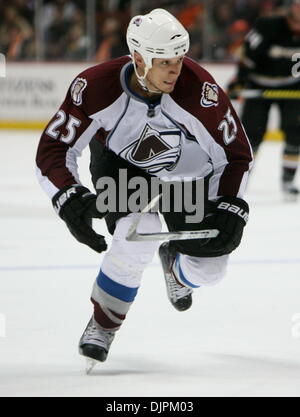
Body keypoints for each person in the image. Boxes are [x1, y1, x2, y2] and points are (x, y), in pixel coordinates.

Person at [36, 9, 252, 366]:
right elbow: (55, 149)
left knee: (210, 270)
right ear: (138, 58)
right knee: (138, 230)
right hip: (123, 169)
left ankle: (177, 269)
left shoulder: (200, 91)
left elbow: (234, 155)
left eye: (179, 60)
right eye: (164, 61)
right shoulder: (94, 86)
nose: (175, 70)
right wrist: (67, 196)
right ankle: (104, 323)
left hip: (186, 176)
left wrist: (231, 206)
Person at [228, 0, 300, 199]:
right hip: (258, 86)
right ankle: (242, 181)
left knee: (295, 134)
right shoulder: (267, 26)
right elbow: (247, 56)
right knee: (251, 136)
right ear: (290, 8)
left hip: (293, 88)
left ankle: (287, 182)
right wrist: (239, 81)